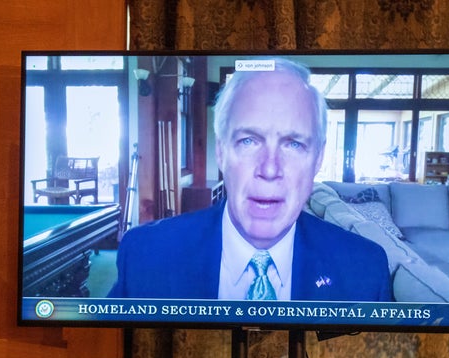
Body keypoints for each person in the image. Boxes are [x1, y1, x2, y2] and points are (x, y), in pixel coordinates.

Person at [109, 58, 392, 302]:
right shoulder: (145, 257)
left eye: (293, 144)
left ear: (318, 159)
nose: (269, 169)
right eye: (248, 140)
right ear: (221, 152)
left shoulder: (366, 271)